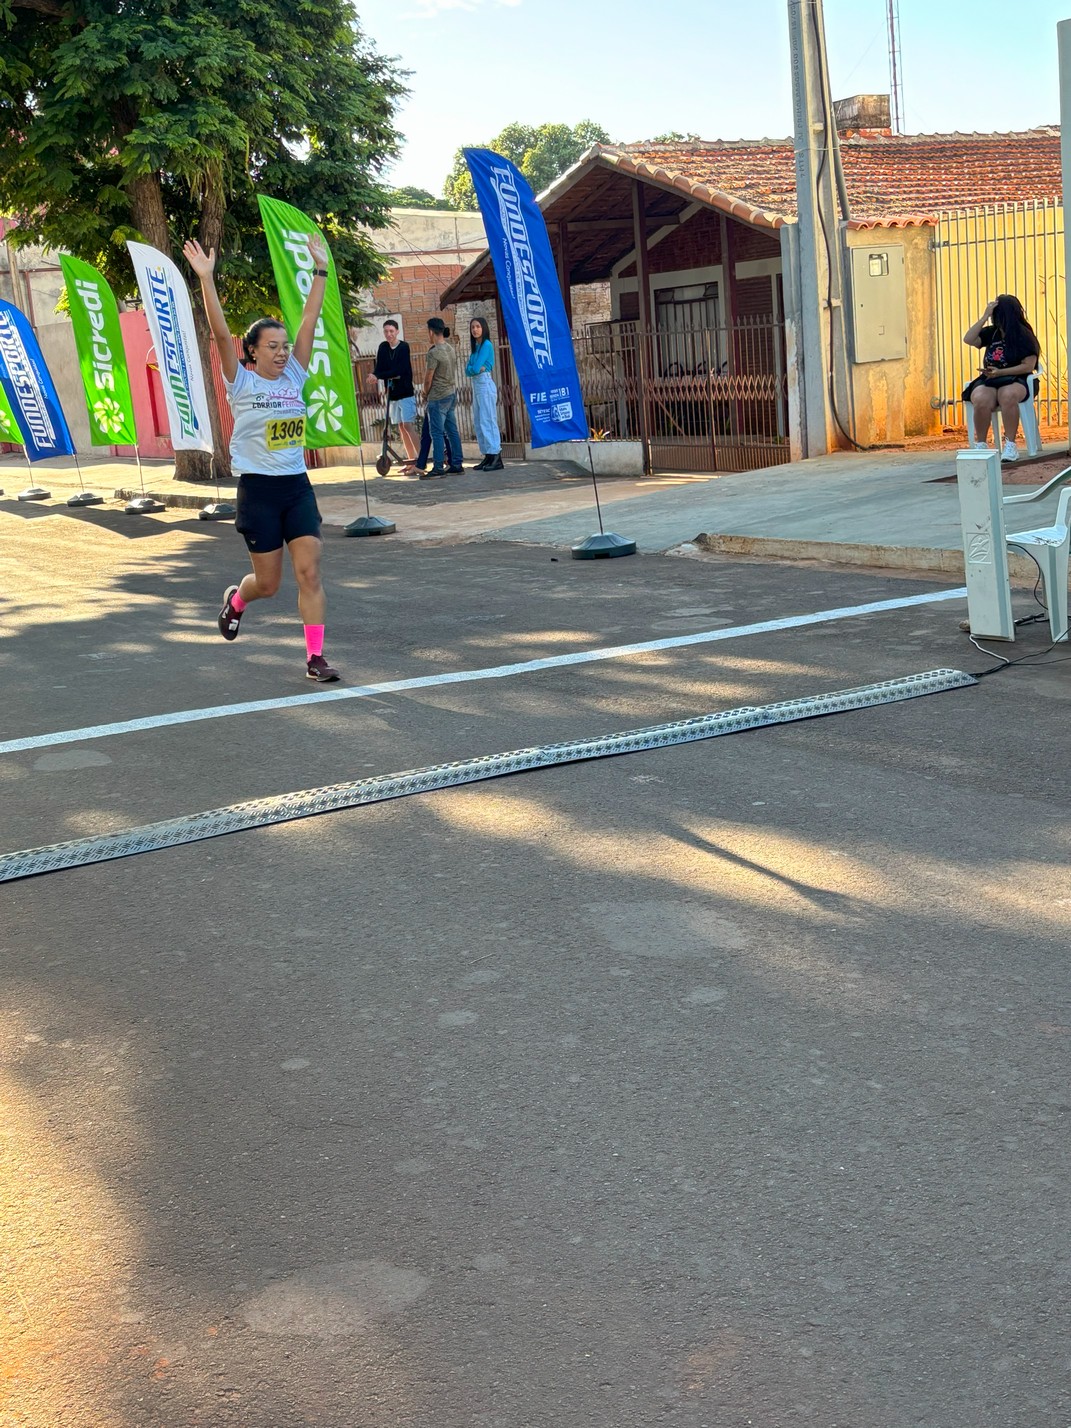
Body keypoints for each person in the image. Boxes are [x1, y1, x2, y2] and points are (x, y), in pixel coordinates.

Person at [183, 234, 340, 683]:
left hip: (296, 487)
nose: (282, 352)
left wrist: (321, 270)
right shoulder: (242, 383)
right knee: (267, 585)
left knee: (309, 572)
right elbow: (217, 331)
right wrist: (207, 280)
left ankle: (315, 658)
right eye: (272, 346)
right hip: (258, 492)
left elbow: (310, 318)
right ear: (252, 351)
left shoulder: (295, 373)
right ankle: (237, 600)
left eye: (284, 345)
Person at [963, 295, 1040, 462]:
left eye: (994, 314)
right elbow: (968, 339)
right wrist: (983, 317)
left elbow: (1028, 366)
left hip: (1018, 378)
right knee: (980, 398)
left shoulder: (1023, 334)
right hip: (991, 378)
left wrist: (1000, 373)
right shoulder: (993, 333)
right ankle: (981, 445)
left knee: (1007, 396)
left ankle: (1010, 445)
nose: (992, 317)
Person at [422, 316, 464, 478]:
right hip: (450, 394)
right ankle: (457, 463)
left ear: (431, 332)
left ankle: (438, 466)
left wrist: (425, 392)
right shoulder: (450, 349)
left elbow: (428, 378)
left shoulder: (434, 353)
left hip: (437, 397)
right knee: (452, 431)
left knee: (437, 433)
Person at [371, 319, 417, 462]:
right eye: (386, 331)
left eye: (391, 331)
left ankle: (420, 460)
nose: (389, 334)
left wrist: (378, 376)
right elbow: (380, 367)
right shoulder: (383, 347)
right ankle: (410, 461)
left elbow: (399, 370)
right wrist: (375, 375)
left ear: (397, 331)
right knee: (401, 427)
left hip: (405, 391)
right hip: (393, 393)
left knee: (408, 425)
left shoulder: (404, 347)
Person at [465, 315, 503, 472]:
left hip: (485, 384)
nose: (475, 329)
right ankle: (487, 454)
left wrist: (475, 368)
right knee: (479, 421)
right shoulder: (476, 347)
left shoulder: (486, 345)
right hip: (476, 385)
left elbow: (475, 368)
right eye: (473, 327)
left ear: (484, 328)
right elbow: (468, 370)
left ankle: (496, 456)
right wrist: (474, 368)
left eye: (478, 326)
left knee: (488, 420)